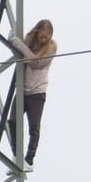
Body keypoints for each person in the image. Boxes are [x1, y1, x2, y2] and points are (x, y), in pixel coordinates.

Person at [9, 19, 57, 170]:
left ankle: (29, 161)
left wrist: (17, 43)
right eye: (41, 36)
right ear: (37, 33)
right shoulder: (30, 41)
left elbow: (36, 62)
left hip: (37, 92)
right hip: (23, 89)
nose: (43, 40)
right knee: (12, 121)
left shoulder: (51, 47)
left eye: (46, 37)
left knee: (34, 127)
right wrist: (16, 43)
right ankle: (17, 157)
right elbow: (21, 54)